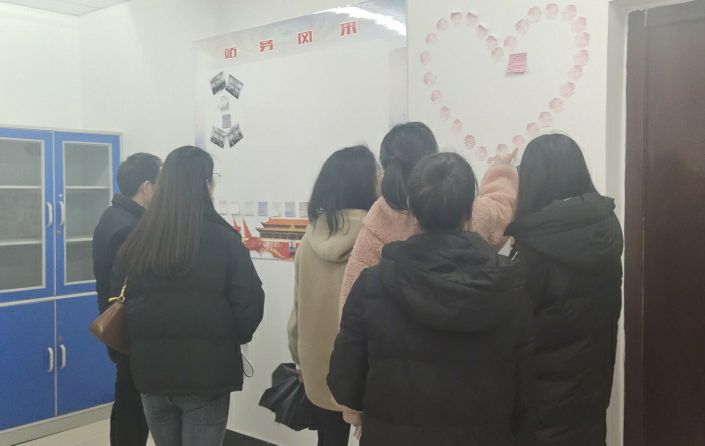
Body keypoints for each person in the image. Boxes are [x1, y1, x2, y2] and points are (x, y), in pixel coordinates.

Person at [327, 152, 534, 445]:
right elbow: (526, 391)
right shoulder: (510, 285)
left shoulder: (373, 285)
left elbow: (345, 384)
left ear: (412, 207)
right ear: (469, 209)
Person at [114, 146, 265, 446]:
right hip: (205, 375)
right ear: (206, 185)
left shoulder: (139, 238)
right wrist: (228, 339)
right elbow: (249, 305)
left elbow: (120, 300)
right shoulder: (224, 239)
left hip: (151, 373)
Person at [506, 134, 623, 446]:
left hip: (540, 402)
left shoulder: (535, 246)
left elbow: (513, 329)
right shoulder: (605, 228)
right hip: (591, 389)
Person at [340, 122, 519, 311]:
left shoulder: (377, 223)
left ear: (386, 166)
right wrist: (501, 170)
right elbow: (501, 209)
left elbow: (351, 304)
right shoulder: (468, 212)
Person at [288, 145, 379, 446]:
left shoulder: (309, 237)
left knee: (328, 441)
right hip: (365, 365)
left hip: (318, 363)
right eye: (376, 174)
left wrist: (298, 359)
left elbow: (297, 308)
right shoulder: (375, 238)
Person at [92, 152, 161, 446]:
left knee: (128, 404)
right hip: (132, 330)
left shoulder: (113, 216)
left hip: (121, 329)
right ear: (147, 187)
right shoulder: (130, 227)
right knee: (132, 410)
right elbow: (135, 286)